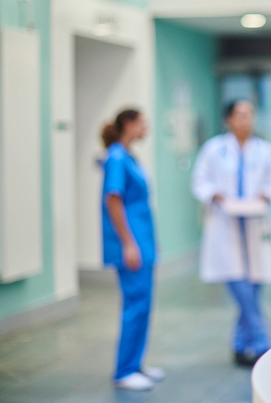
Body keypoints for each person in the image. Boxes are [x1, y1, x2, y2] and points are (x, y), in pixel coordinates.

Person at [191, 100, 271, 367]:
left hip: (255, 223)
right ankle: (263, 341)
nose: (245, 120)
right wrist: (215, 195)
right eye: (239, 115)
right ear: (228, 120)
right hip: (225, 222)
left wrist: (266, 193)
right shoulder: (213, 149)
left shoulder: (265, 151)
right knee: (239, 285)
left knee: (254, 287)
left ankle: (240, 345)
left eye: (249, 115)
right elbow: (200, 181)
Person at [100, 109, 165, 391]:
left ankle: (136, 363)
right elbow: (112, 200)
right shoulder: (116, 156)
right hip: (132, 245)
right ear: (128, 124)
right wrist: (128, 242)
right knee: (135, 304)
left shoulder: (127, 155)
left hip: (142, 242)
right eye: (142, 123)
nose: (146, 127)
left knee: (144, 304)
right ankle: (124, 370)